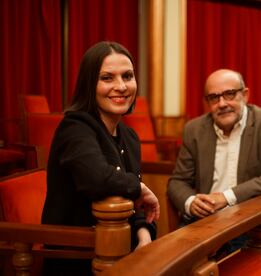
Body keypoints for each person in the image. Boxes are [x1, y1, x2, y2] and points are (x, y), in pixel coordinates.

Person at [41, 41, 159, 275]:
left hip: (122, 250)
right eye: (107, 78)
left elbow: (132, 201)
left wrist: (144, 236)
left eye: (128, 76)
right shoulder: (75, 127)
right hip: (76, 258)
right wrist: (140, 187)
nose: (121, 86)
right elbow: (97, 180)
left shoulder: (129, 135)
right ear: (89, 84)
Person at [167, 68, 261, 228]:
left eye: (230, 94)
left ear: (245, 95)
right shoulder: (194, 129)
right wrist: (191, 202)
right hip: (204, 221)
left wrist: (227, 197)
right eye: (214, 98)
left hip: (249, 222)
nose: (222, 104)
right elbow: (178, 181)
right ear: (207, 103)